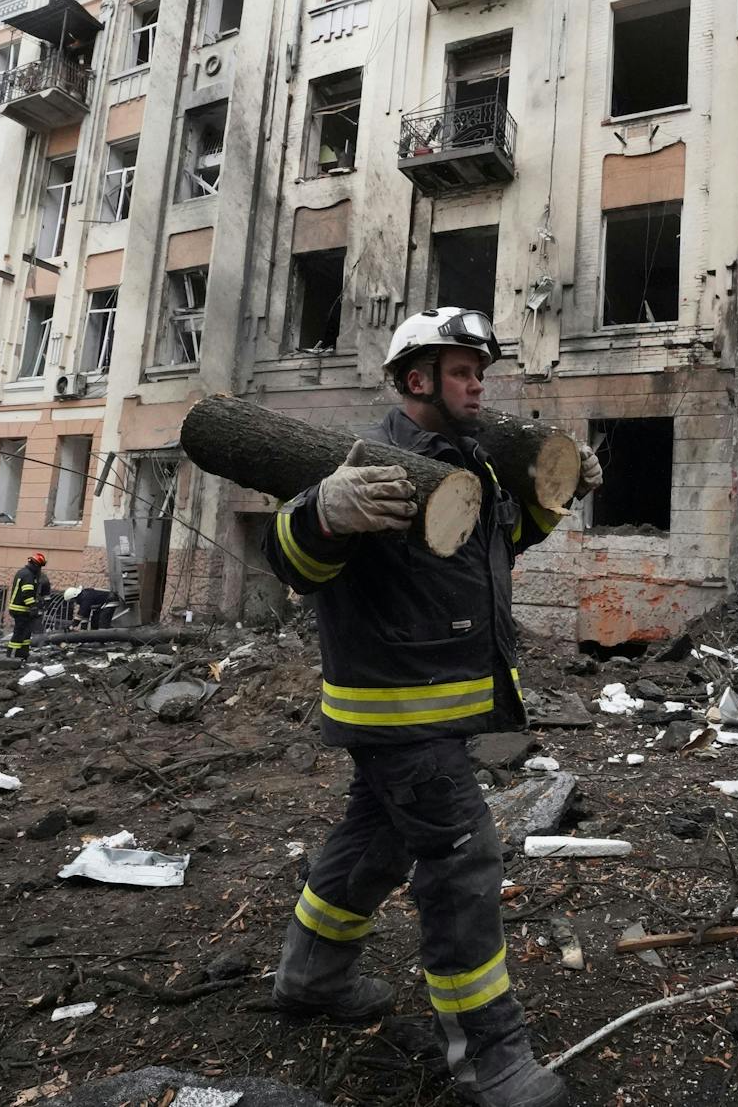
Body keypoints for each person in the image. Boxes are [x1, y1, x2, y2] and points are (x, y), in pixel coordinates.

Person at [261, 308, 602, 1107]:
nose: (479, 382)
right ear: (416, 378)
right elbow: (291, 555)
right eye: (461, 370)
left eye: (480, 369)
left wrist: (557, 496)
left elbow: (496, 547)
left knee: (374, 841)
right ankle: (491, 1057)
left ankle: (309, 976)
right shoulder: (368, 465)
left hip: (432, 707)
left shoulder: (469, 462)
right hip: (398, 711)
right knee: (462, 861)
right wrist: (322, 511)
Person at [6, 553, 50, 661]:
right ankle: (11, 656)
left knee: (26, 633)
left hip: (21, 609)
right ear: (35, 564)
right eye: (39, 566)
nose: (40, 569)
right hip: (20, 609)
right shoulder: (28, 575)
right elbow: (27, 594)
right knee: (19, 633)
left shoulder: (25, 572)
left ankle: (23, 654)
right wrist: (34, 607)